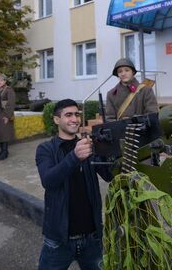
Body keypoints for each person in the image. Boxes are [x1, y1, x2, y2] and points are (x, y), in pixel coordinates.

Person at [35, 99, 114, 270]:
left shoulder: (89, 146)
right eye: (68, 115)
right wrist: (74, 157)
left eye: (77, 114)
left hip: (92, 238)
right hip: (58, 240)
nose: (74, 119)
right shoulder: (46, 149)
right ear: (56, 120)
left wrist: (111, 152)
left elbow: (109, 175)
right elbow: (48, 180)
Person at [0, 73, 16, 160]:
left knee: (5, 133)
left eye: (1, 80)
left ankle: (5, 151)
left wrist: (7, 116)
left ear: (5, 81)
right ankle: (2, 150)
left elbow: (11, 103)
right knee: (1, 133)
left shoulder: (9, 90)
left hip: (5, 114)